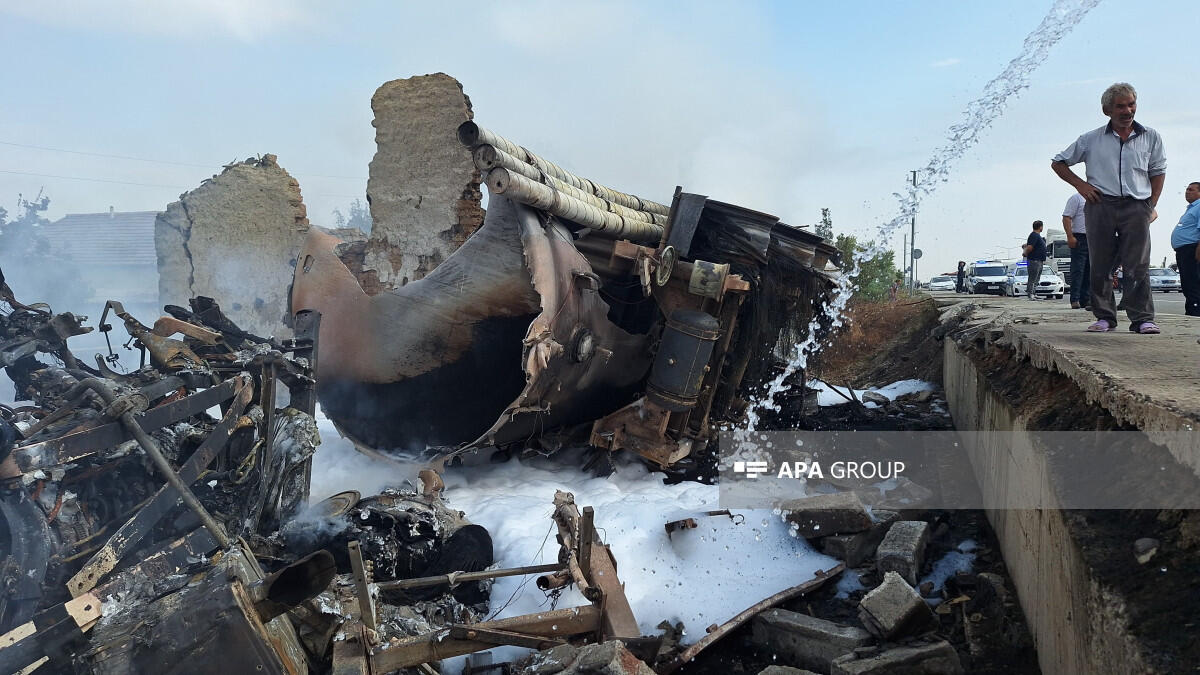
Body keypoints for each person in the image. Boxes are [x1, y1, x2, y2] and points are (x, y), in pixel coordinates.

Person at [1051, 82, 1166, 333]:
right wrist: (1081, 186)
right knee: (1100, 263)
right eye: (1120, 106)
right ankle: (1105, 316)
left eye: (1131, 104)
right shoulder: (1091, 139)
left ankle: (1143, 319)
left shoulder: (1151, 136)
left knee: (1138, 264)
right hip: (1100, 204)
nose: (1127, 111)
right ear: (1107, 111)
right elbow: (1058, 163)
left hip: (1137, 205)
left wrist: (1151, 204)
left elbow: (1157, 171)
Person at [1170, 182, 1200, 316]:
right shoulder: (1191, 208)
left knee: (1192, 283)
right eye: (1187, 189)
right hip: (1184, 251)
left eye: (1191, 190)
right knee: (1187, 283)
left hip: (1192, 249)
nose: (1187, 192)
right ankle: (1191, 311)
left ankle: (1195, 312)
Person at [1062, 193, 1090, 309]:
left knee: (1090, 271)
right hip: (1079, 237)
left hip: (1093, 238)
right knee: (1078, 270)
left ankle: (1086, 299)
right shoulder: (1076, 198)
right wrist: (1070, 236)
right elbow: (1066, 217)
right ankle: (1075, 299)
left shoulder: (1098, 198)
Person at [1021, 220, 1047, 300]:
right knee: (1032, 278)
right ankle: (1030, 294)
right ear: (1041, 227)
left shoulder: (1037, 236)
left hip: (1039, 260)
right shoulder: (1034, 235)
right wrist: (1025, 253)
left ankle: (1034, 293)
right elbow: (1030, 247)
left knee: (1036, 278)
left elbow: (1029, 245)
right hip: (1034, 260)